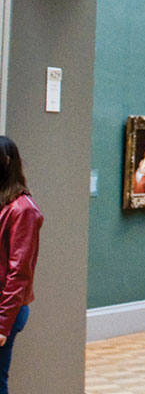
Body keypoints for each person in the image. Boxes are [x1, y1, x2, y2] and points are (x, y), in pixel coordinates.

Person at [0, 136, 43, 394]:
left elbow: (20, 273)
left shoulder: (23, 209)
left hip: (6, 307)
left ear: (6, 163)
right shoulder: (5, 203)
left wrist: (2, 323)